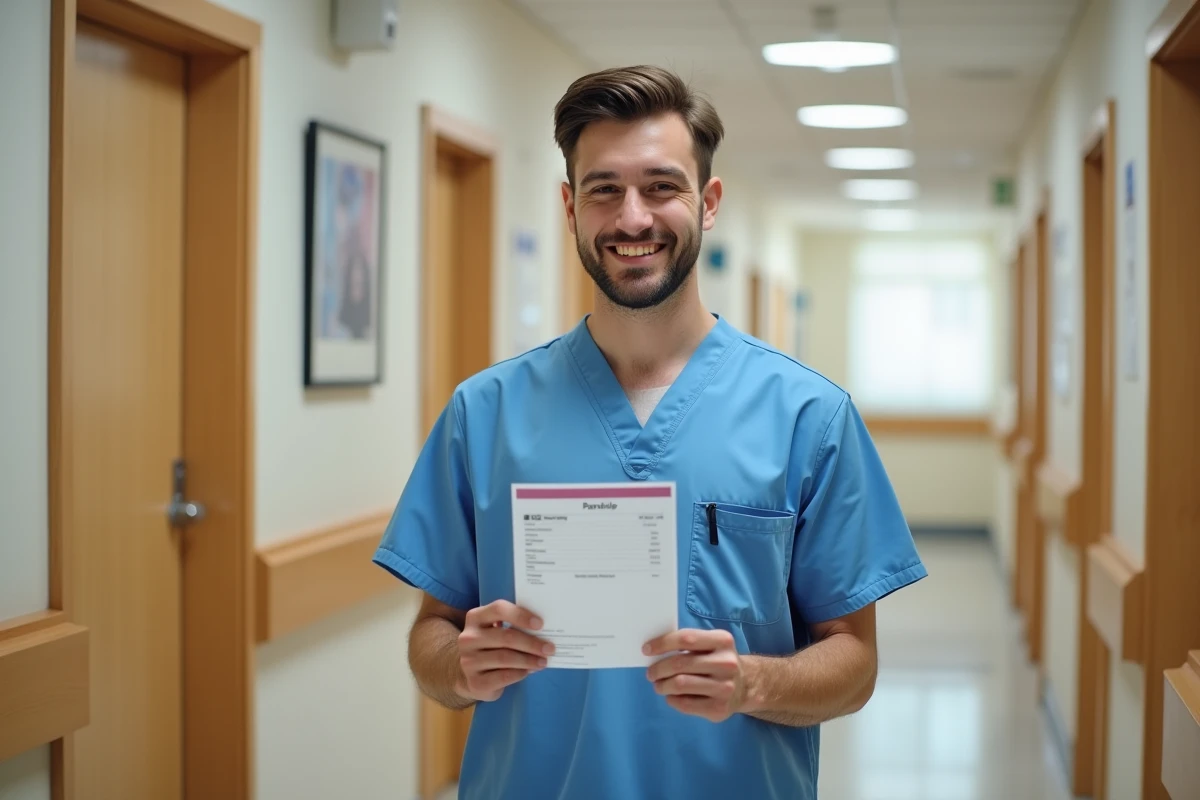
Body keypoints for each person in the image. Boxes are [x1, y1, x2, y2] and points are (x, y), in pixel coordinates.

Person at [373, 64, 927, 800]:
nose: (633, 218)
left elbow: (853, 663)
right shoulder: (485, 413)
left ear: (710, 200)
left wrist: (752, 683)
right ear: (570, 207)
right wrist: (459, 666)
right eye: (605, 189)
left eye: (662, 186)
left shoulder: (806, 416)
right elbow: (429, 637)